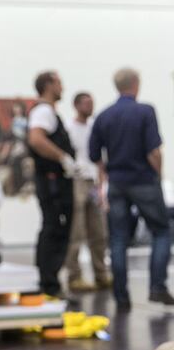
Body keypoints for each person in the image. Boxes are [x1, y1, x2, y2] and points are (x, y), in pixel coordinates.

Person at [89, 68, 174, 309]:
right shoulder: (144, 111)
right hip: (143, 180)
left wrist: (108, 173)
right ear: (136, 84)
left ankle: (121, 295)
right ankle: (157, 286)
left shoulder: (104, 116)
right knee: (161, 230)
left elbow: (94, 153)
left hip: (117, 182)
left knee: (118, 238)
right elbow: (153, 151)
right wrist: (158, 175)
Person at [27, 71, 77, 297]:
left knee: (55, 228)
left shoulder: (49, 113)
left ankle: (50, 281)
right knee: (54, 228)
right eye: (59, 83)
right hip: (52, 181)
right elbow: (36, 139)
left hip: (57, 181)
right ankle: (49, 284)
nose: (62, 87)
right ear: (48, 85)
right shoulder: (43, 112)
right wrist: (62, 157)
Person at [64, 92, 111, 292]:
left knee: (99, 231)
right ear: (76, 105)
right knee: (77, 231)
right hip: (76, 180)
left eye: (92, 102)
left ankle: (101, 274)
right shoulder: (69, 128)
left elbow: (101, 157)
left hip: (94, 181)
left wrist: (102, 184)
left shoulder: (95, 127)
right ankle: (74, 276)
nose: (90, 106)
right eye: (86, 103)